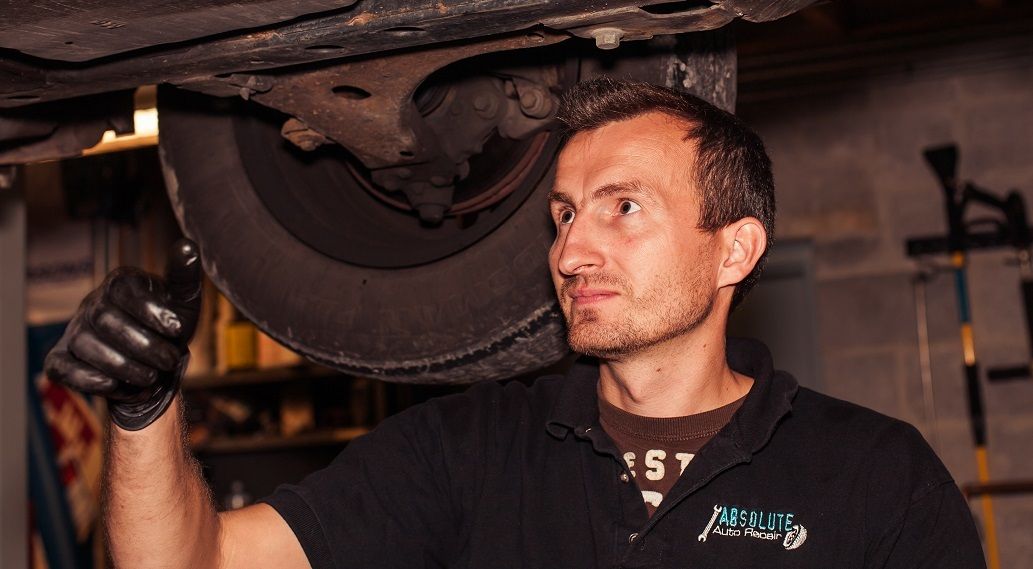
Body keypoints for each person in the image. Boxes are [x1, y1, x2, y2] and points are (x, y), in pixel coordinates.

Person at [44, 77, 986, 569]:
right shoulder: (469, 451)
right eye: (564, 215)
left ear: (734, 249)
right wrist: (143, 408)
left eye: (622, 208)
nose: (571, 250)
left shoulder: (871, 474)